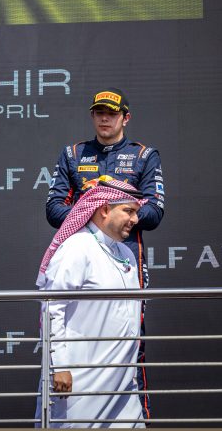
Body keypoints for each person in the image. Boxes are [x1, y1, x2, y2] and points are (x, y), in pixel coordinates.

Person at [45, 88, 163, 416]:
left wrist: (120, 209)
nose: (105, 119)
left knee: (131, 340)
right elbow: (53, 208)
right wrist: (93, 211)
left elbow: (154, 212)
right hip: (83, 256)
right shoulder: (73, 154)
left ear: (125, 117)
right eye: (99, 113)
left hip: (127, 258)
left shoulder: (143, 155)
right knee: (75, 327)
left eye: (112, 113)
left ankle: (136, 418)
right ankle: (72, 413)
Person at [36, 177, 147, 428]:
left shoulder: (126, 254)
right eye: (128, 211)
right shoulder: (77, 248)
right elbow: (52, 309)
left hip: (123, 383)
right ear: (104, 209)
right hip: (80, 380)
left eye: (136, 212)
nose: (135, 219)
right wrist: (59, 366)